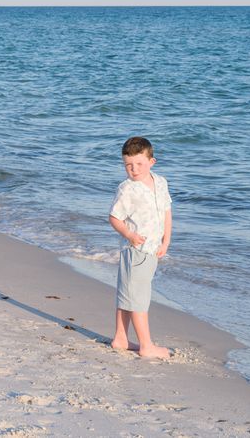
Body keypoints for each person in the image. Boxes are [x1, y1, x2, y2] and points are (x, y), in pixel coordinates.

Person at [109, 136, 173, 358]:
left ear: (151, 162)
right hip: (135, 250)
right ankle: (146, 346)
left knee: (130, 293)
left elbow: (166, 211)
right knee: (137, 298)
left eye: (139, 164)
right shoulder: (127, 189)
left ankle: (120, 338)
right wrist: (129, 234)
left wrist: (166, 240)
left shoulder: (160, 182)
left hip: (153, 249)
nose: (134, 169)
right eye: (128, 165)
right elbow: (114, 217)